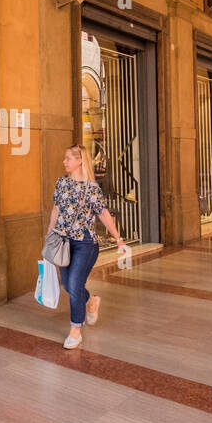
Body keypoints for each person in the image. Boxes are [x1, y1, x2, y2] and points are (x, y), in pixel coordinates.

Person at [48, 144, 129, 349]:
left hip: (85, 243)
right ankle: (91, 301)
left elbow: (103, 214)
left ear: (80, 161)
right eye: (65, 158)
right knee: (68, 286)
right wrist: (49, 234)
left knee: (74, 285)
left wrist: (118, 239)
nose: (64, 161)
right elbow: (56, 210)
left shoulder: (92, 188)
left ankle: (76, 330)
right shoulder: (62, 182)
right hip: (63, 242)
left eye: (68, 158)